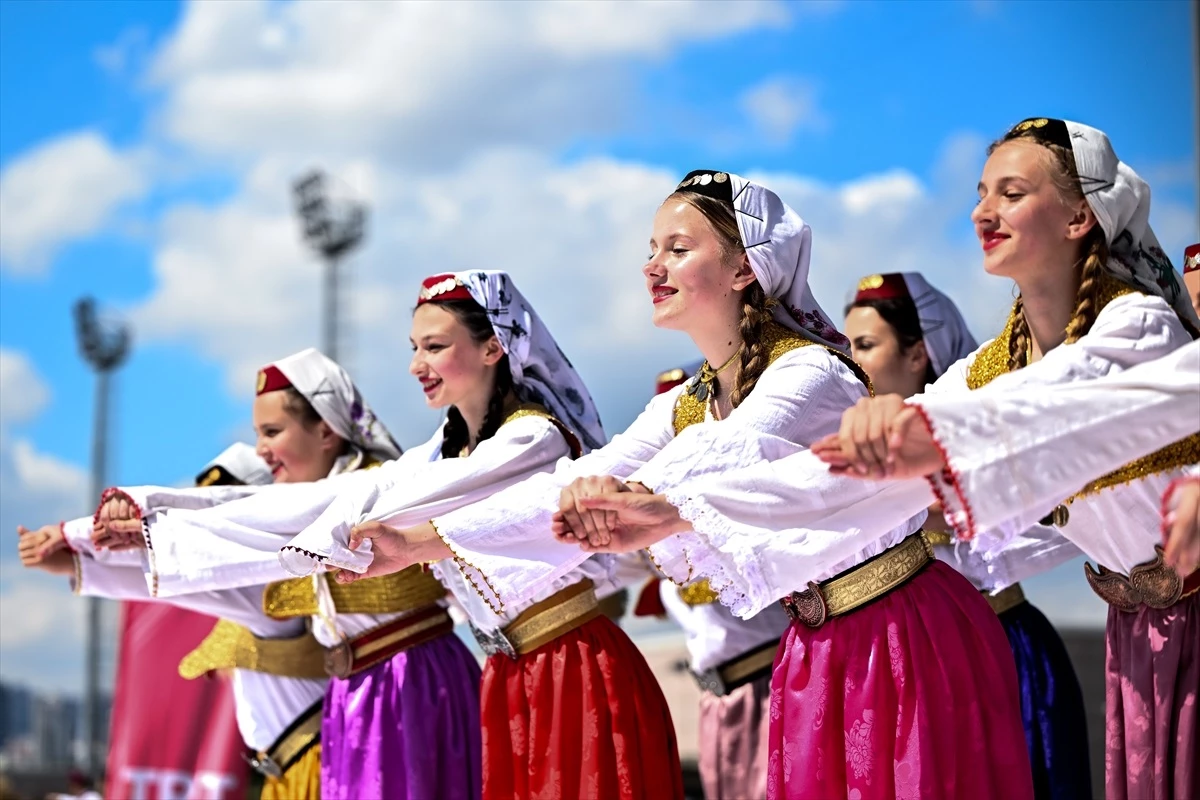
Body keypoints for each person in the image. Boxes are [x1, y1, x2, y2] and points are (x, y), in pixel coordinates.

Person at [348, 170, 1034, 799]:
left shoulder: (809, 374)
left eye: (677, 248)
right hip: (816, 646)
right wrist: (416, 541)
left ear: (744, 267)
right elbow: (588, 476)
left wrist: (636, 502)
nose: (653, 265)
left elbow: (724, 457)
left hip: (901, 634)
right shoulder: (689, 400)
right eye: (652, 249)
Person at [814, 118, 1199, 799]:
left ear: (1082, 215)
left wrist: (913, 426)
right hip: (1136, 633)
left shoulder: (1137, 324)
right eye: (981, 193)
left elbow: (1043, 404)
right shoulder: (993, 365)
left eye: (1011, 193)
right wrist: (668, 510)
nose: (982, 212)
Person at [845, 271, 1091, 799]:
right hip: (910, 674)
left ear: (917, 354)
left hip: (1003, 651)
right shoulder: (845, 453)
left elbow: (1055, 513)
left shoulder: (976, 433)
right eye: (846, 347)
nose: (852, 361)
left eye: (865, 345)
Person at [21, 439, 328, 800]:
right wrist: (74, 560)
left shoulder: (269, 592)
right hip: (290, 771)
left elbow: (168, 579)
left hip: (312, 770)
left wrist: (76, 550)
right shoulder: (253, 588)